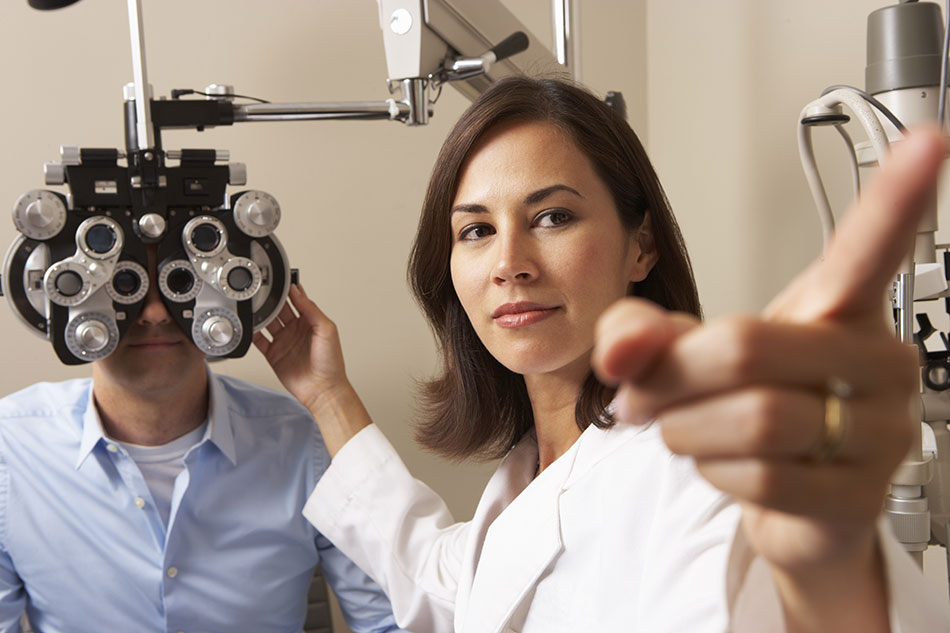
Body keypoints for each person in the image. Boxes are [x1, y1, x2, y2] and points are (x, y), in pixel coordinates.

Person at [255, 77, 950, 632]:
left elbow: (774, 590)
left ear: (640, 245)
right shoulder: (532, 470)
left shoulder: (696, 474)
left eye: (552, 216)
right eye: (475, 229)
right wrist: (327, 395)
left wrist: (827, 565)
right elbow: (443, 582)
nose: (509, 262)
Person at [0, 247, 402, 633]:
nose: (155, 313)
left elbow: (393, 621)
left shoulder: (305, 441)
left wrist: (330, 398)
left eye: (181, 283)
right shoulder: (12, 449)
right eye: (124, 284)